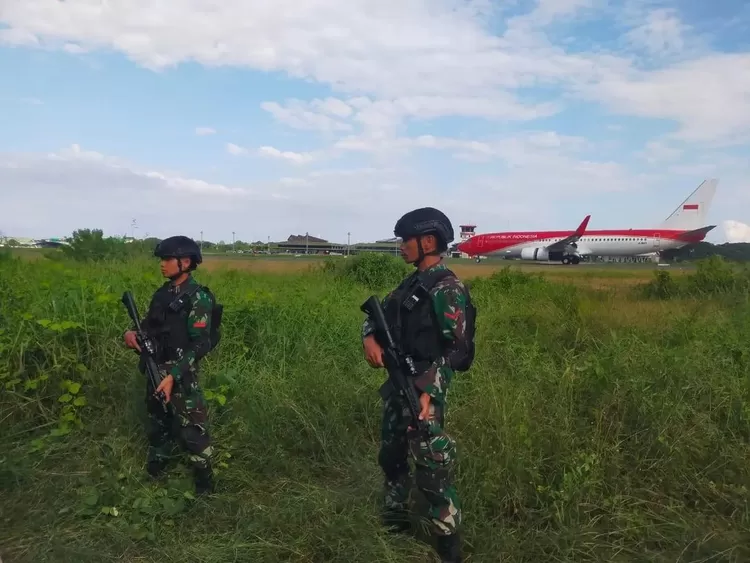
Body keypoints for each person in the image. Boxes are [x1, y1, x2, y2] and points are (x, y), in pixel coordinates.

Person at [361, 207, 473, 563]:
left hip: (424, 390)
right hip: (398, 384)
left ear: (427, 241)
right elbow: (377, 321)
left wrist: (429, 391)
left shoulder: (447, 287)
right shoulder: (408, 285)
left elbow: (457, 350)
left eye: (405, 240)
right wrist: (370, 339)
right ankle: (395, 522)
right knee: (391, 456)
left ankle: (447, 544)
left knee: (433, 466)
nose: (401, 246)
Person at [124, 235, 218, 495]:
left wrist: (173, 375)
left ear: (185, 262)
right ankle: (157, 467)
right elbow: (149, 326)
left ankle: (204, 482)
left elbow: (200, 345)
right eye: (162, 260)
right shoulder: (162, 294)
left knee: (192, 429)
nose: (162, 265)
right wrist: (131, 334)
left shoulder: (198, 298)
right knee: (158, 420)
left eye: (167, 259)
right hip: (156, 368)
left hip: (182, 372)